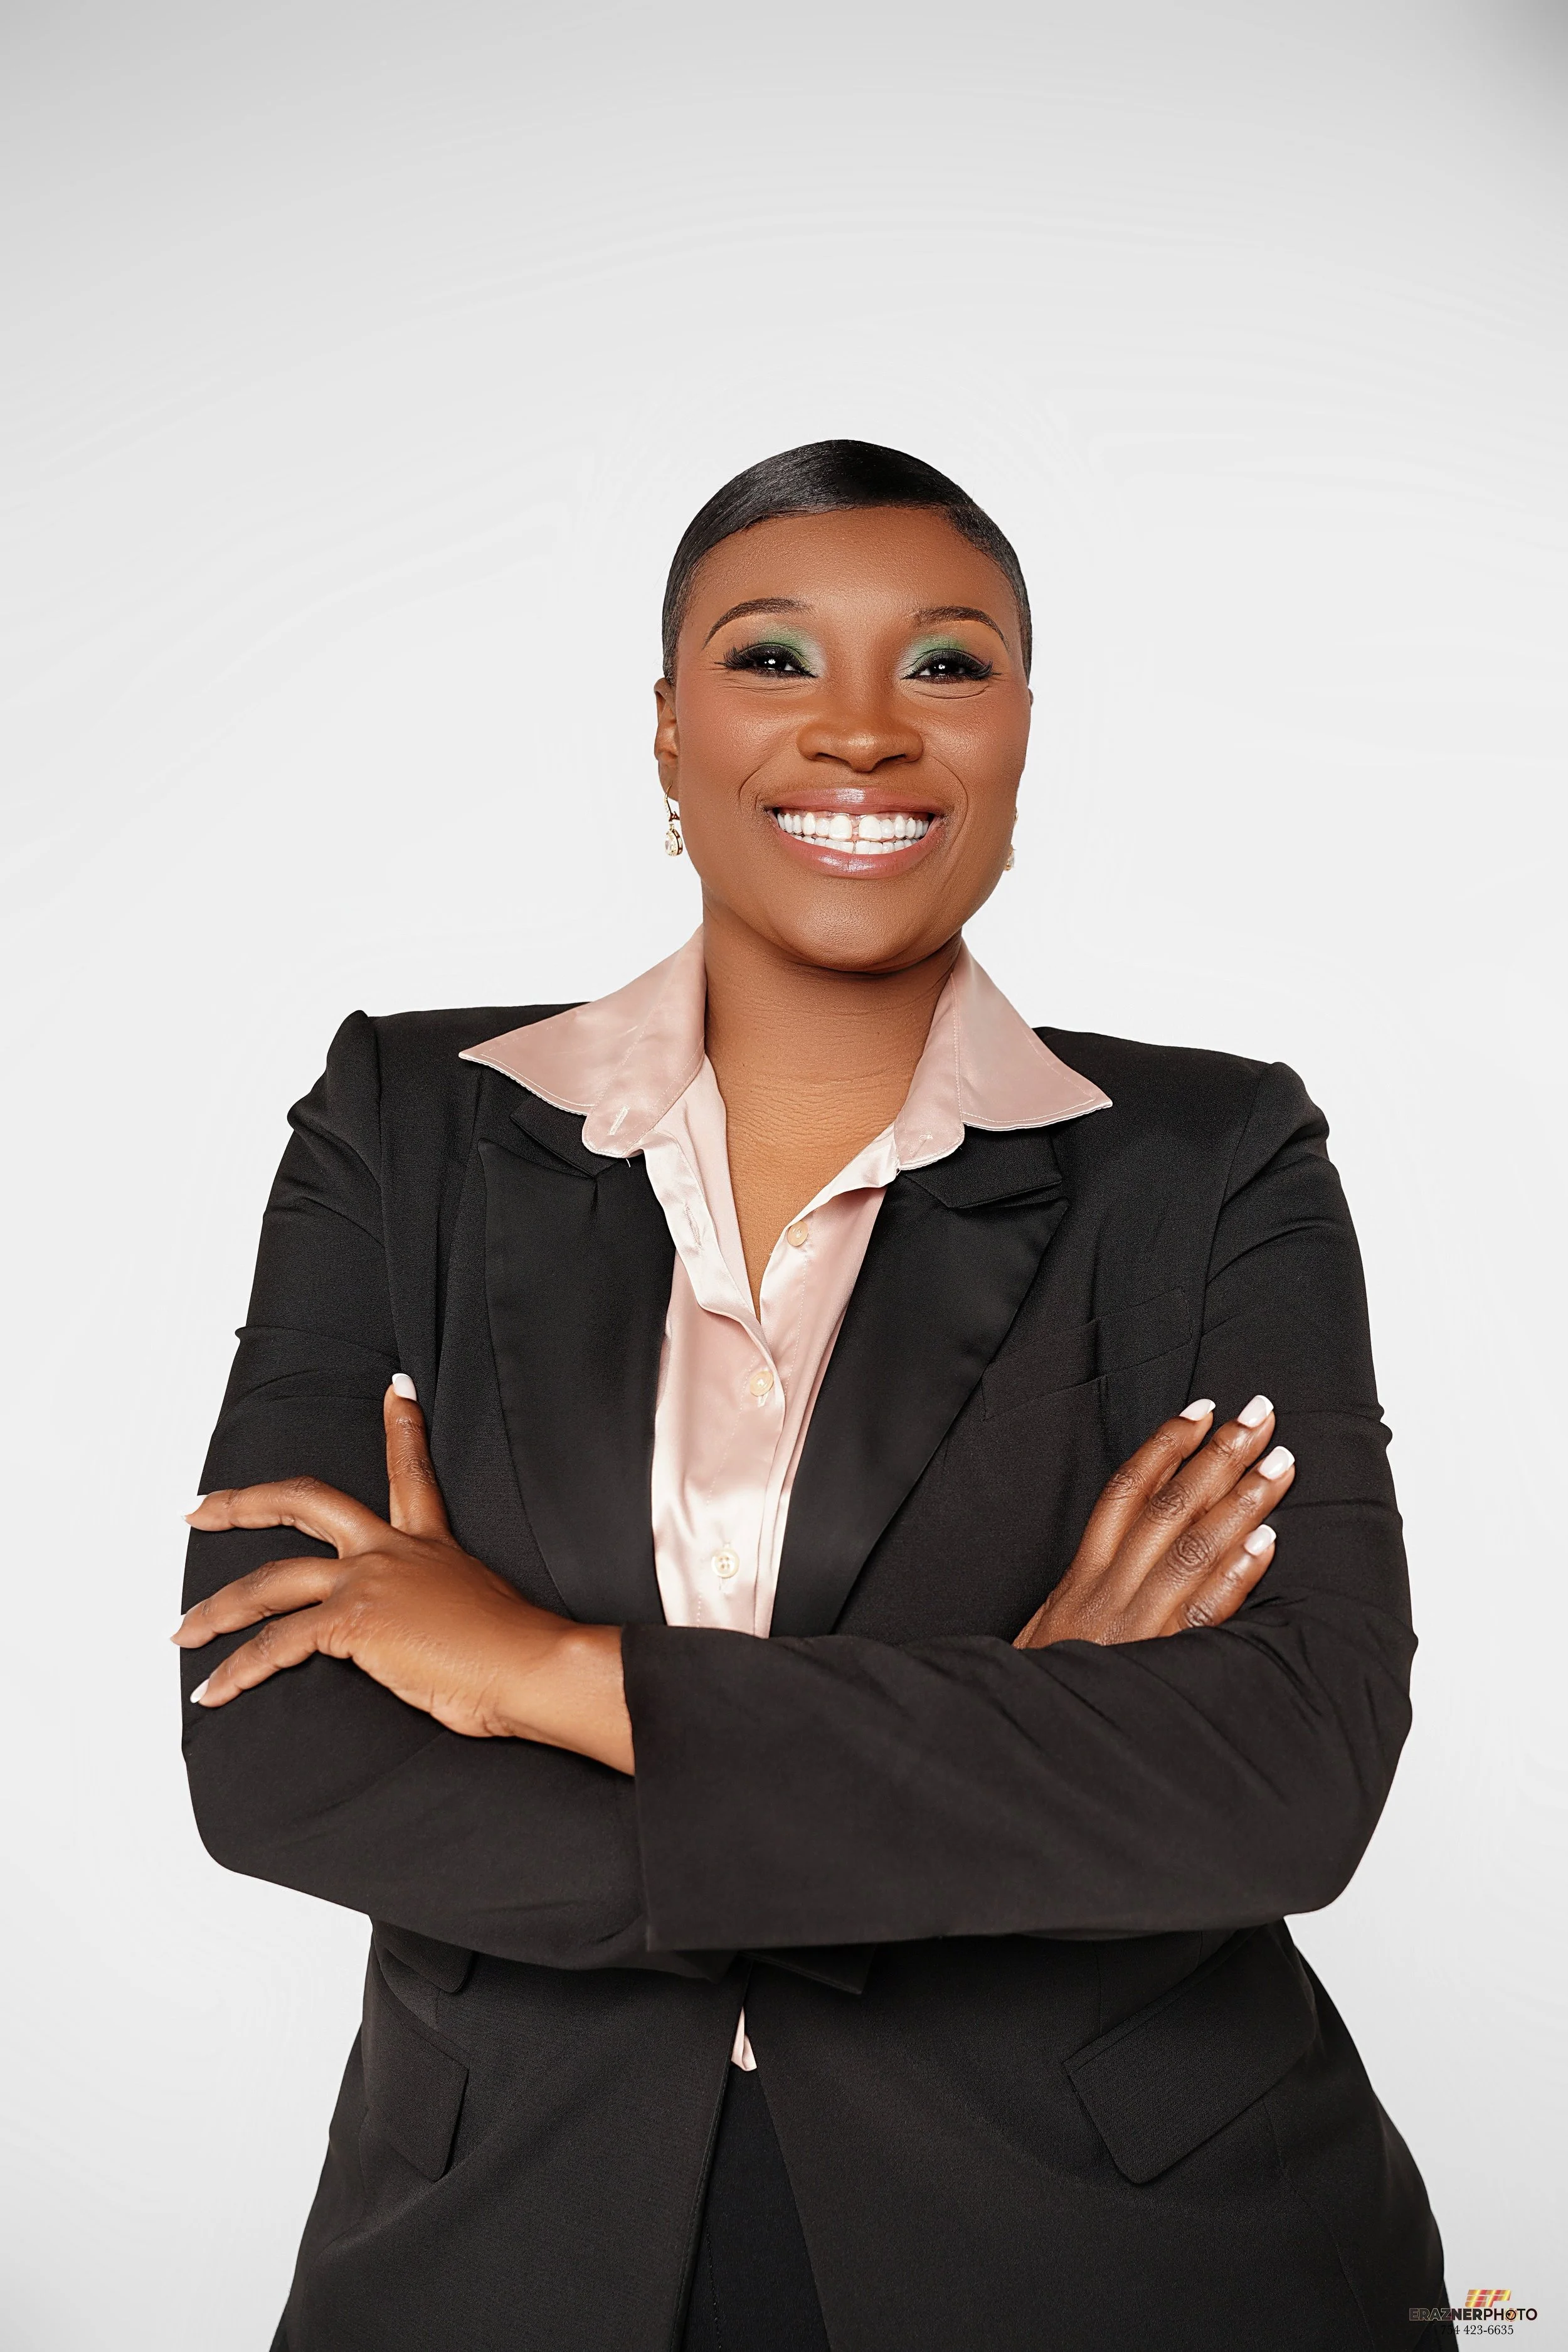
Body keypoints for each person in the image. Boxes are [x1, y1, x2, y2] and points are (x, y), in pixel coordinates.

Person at [176, 440, 1452, 2351]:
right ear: (667, 735)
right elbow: (275, 1750)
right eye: (772, 658)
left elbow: (1285, 1777)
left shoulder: (1208, 1160)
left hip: (1129, 2256)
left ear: (1021, 730)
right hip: (503, 2242)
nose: (861, 732)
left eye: (944, 663)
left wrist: (552, 1676)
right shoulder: (405, 1130)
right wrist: (1022, 1737)